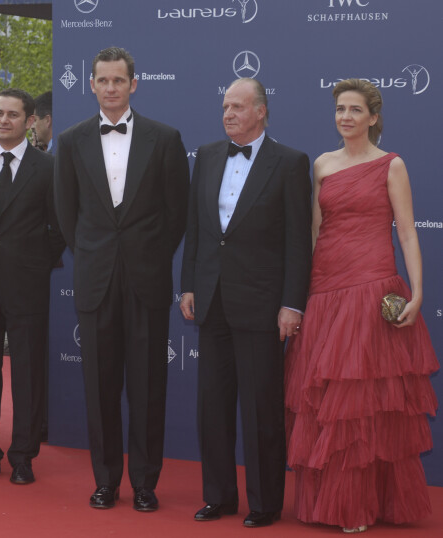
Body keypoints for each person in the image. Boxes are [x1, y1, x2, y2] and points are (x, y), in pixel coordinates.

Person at [284, 78, 438, 534]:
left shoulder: (392, 166)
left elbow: (407, 232)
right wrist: (303, 294)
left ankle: (360, 505)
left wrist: (418, 291)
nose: (345, 117)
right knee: (328, 404)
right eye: (339, 110)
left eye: (355, 110)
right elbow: (314, 230)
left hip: (371, 287)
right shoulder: (323, 165)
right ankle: (334, 501)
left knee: (363, 405)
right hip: (326, 288)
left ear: (373, 118)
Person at [54, 47, 190, 512]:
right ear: (90, 84)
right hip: (95, 280)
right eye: (102, 80)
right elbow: (66, 214)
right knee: (100, 387)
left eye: (119, 80)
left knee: (149, 387)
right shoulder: (70, 141)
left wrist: (147, 255)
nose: (110, 88)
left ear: (134, 84)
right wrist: (95, 254)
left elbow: (177, 215)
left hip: (147, 280)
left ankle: (146, 484)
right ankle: (106, 481)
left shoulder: (165, 138)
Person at [179, 77, 312, 527]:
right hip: (212, 298)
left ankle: (265, 503)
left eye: (238, 106)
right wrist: (189, 285)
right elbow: (196, 229)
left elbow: (298, 242)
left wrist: (293, 303)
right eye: (224, 107)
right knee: (212, 407)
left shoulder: (290, 163)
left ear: (261, 111)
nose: (228, 114)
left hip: (261, 304)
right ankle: (218, 496)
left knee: (261, 410)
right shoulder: (209, 156)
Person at [0, 88, 64, 486]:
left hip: (27, 286)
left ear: (30, 120)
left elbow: (60, 226)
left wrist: (37, 262)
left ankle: (23, 456)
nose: (3, 120)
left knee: (27, 376)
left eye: (13, 115)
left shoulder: (47, 166)